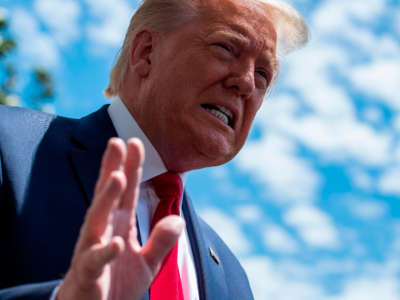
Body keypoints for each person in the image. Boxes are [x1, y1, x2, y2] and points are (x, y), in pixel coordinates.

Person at [0, 0, 308, 299]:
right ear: (146, 52)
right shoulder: (9, 143)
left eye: (262, 76)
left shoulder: (233, 278)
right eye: (226, 48)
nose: (245, 83)